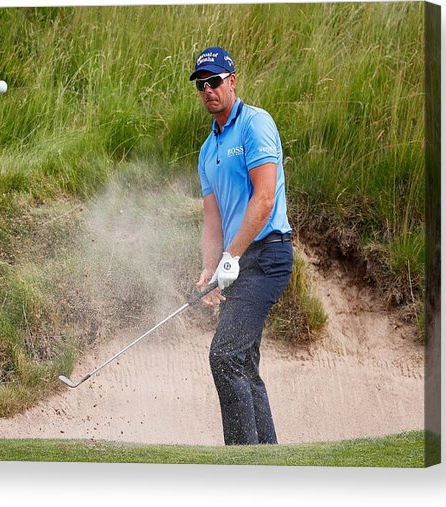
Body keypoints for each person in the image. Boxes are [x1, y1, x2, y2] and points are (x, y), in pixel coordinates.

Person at [191, 46, 293, 445]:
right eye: (201, 85)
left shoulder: (255, 124)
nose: (208, 90)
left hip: (267, 255)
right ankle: (267, 460)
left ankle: (242, 462)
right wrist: (209, 266)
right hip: (238, 263)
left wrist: (231, 257)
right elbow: (212, 221)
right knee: (244, 364)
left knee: (225, 356)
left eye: (214, 81)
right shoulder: (207, 150)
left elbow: (265, 198)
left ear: (232, 81)